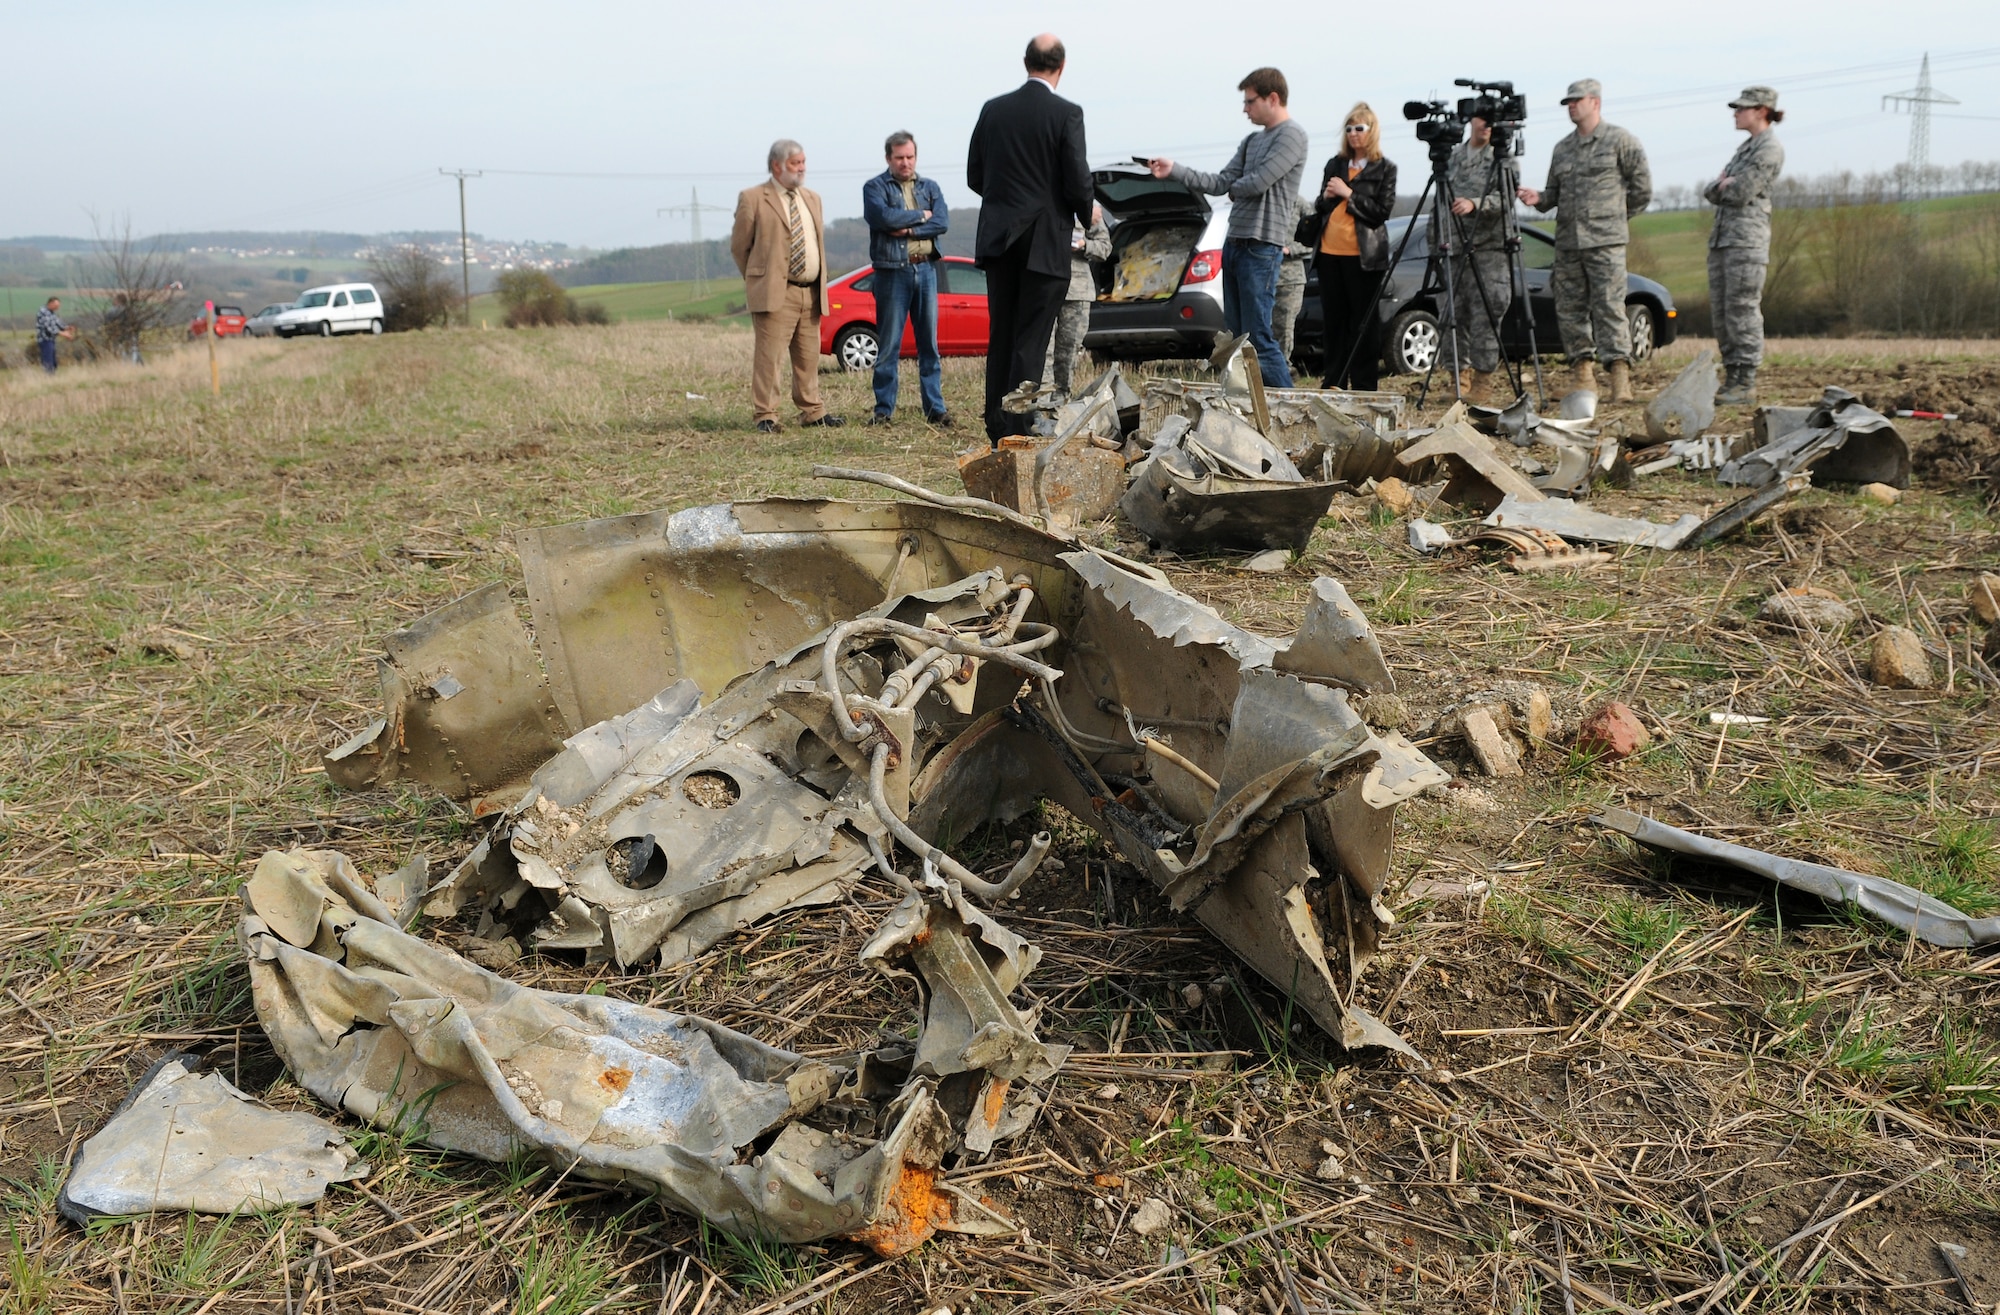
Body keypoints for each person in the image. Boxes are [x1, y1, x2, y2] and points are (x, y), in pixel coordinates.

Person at [966, 33, 1091, 443]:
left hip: (1000, 239)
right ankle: (1019, 426)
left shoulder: (993, 109)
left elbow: (975, 175)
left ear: (1025, 62)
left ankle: (995, 422)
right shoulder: (1066, 113)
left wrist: (1007, 203)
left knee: (1001, 331)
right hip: (1044, 241)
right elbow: (1076, 180)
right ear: (1062, 66)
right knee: (1032, 338)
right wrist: (1085, 212)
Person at [1148, 68, 1309, 388]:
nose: (1245, 109)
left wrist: (1234, 188)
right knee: (1237, 341)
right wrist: (1175, 170)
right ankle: (1254, 409)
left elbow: (1258, 181)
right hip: (1235, 245)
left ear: (1272, 99)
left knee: (1259, 338)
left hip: (1262, 248)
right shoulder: (1252, 141)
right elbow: (1221, 182)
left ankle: (1290, 407)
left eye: (1250, 101)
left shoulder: (1292, 136)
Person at [1517, 79, 1651, 403]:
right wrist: (1539, 198)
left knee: (1610, 308)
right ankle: (1583, 378)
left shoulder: (1621, 141)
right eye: (1568, 102)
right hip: (1568, 244)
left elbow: (1642, 189)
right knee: (1570, 311)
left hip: (1605, 244)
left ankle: (1620, 380)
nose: (1571, 106)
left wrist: (1615, 220)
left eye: (1577, 101)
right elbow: (1554, 194)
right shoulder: (1562, 148)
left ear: (1595, 102)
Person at [730, 139, 845, 434]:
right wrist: (759, 280)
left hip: (811, 290)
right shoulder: (753, 197)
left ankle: (812, 410)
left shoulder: (812, 198)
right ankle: (766, 415)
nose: (802, 168)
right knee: (770, 357)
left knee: (808, 355)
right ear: (776, 166)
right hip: (775, 293)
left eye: (804, 162)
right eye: (796, 163)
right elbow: (740, 247)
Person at [1305, 103, 1398, 391]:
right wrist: (1328, 196)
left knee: (1363, 325)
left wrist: (1349, 193)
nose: (1353, 134)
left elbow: (1381, 212)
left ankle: (1364, 386)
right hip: (1330, 254)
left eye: (1359, 128)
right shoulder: (1335, 164)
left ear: (1372, 131)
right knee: (1334, 324)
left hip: (1364, 258)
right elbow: (1321, 205)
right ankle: (1333, 382)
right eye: (1349, 129)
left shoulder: (1385, 168)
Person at [861, 131, 951, 426]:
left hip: (926, 270)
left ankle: (935, 409)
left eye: (910, 157)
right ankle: (883, 410)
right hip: (891, 272)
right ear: (889, 158)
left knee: (930, 346)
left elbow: (942, 221)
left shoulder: (930, 186)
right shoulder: (874, 187)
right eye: (899, 157)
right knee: (889, 346)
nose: (905, 162)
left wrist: (911, 227)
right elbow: (883, 219)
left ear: (916, 157)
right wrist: (921, 215)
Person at [1706, 87, 1786, 406]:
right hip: (1724, 238)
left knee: (1742, 309)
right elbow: (1714, 189)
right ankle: (1732, 376)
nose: (1736, 113)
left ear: (1762, 111)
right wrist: (1722, 184)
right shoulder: (1746, 149)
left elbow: (1739, 191)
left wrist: (1726, 183)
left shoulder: (1768, 150)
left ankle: (1745, 380)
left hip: (1746, 242)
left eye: (1742, 108)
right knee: (1723, 310)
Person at [1443, 114, 1514, 404]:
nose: (1485, 126)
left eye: (1492, 122)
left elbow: (1507, 199)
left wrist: (1475, 204)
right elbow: (1439, 203)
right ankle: (1458, 376)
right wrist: (1440, 243)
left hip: (1489, 247)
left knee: (1486, 313)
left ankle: (1483, 380)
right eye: (1481, 119)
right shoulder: (1452, 158)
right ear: (1471, 121)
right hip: (1455, 247)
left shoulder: (1502, 159)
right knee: (1452, 313)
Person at [1044, 202, 1110, 400]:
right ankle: (1040, 403)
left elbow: (1105, 247)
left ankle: (1059, 402)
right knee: (1043, 352)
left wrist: (1084, 246)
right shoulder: (1040, 197)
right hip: (1044, 286)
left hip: (1077, 290)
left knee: (1068, 352)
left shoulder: (1086, 205)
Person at [1272, 194, 1313, 365]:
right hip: (1262, 276)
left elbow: (1315, 238)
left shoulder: (1299, 203)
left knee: (1285, 328)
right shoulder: (1266, 201)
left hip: (1290, 279)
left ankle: (1282, 368)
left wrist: (1290, 249)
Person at [35, 296, 76, 373]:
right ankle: (48, 379)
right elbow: (48, 328)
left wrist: (67, 328)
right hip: (45, 340)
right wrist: (63, 334)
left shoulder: (51, 312)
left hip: (51, 340)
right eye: (56, 306)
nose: (57, 308)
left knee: (53, 362)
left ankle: (52, 377)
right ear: (50, 303)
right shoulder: (43, 312)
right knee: (48, 362)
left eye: (58, 306)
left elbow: (57, 322)